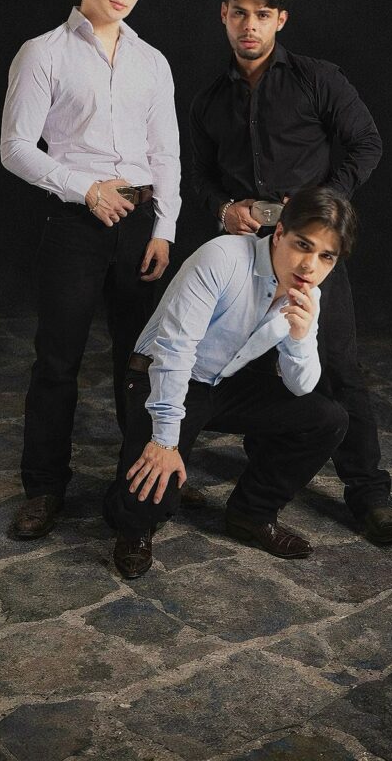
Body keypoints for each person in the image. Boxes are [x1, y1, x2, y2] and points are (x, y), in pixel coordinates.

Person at [189, 0, 392, 545]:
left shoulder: (317, 79)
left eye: (262, 15)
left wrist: (320, 206)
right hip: (245, 253)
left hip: (309, 247)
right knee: (254, 365)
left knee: (338, 368)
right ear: (224, 15)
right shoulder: (210, 98)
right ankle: (262, 488)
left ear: (280, 20)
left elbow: (367, 143)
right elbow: (199, 175)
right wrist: (223, 209)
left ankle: (369, 495)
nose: (250, 25)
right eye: (240, 13)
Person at [1, 0, 181, 539]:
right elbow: (15, 147)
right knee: (58, 360)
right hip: (76, 223)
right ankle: (44, 487)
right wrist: (86, 189)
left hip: (140, 225)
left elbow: (166, 153)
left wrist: (165, 229)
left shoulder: (152, 62)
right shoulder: (43, 52)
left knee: (141, 361)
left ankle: (139, 483)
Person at [103, 187, 353, 578]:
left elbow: (301, 387)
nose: (310, 266)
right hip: (161, 373)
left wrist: (300, 339)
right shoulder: (222, 257)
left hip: (222, 380)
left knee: (327, 418)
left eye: (326, 256)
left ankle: (251, 514)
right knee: (155, 500)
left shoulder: (309, 295)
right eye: (303, 245)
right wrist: (164, 442)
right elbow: (174, 350)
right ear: (279, 233)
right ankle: (132, 522)